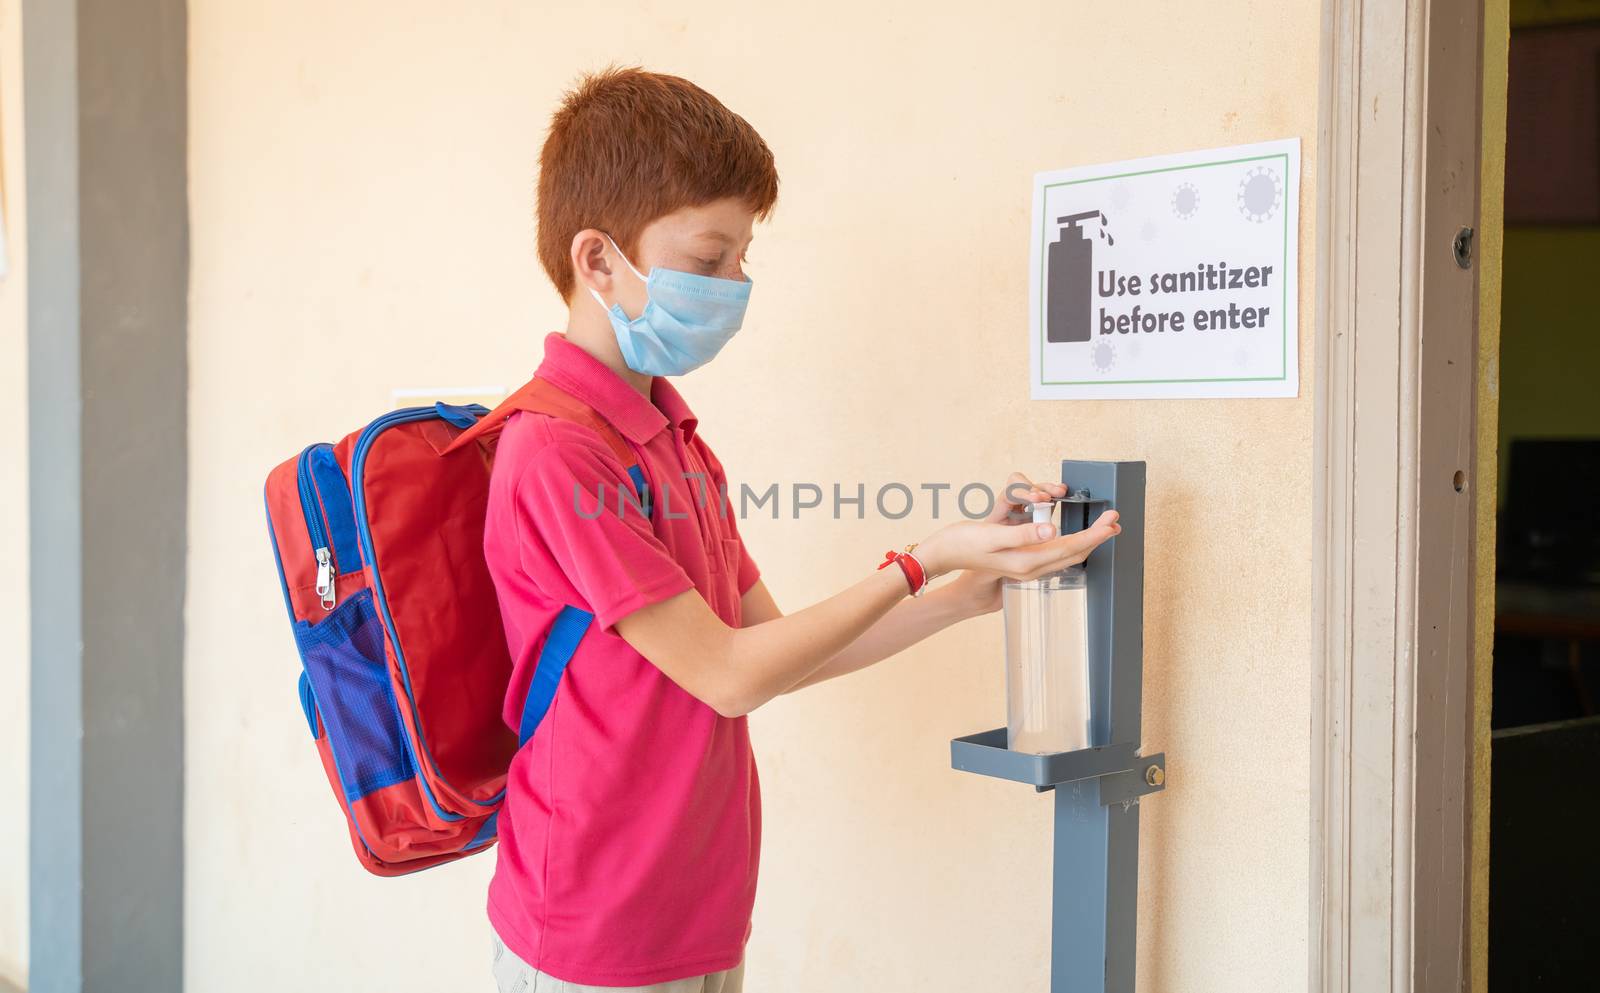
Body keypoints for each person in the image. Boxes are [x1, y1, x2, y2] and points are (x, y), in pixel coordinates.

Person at [483, 65, 1120, 993]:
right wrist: (918, 558)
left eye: (742, 257)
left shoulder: (671, 430)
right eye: (709, 260)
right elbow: (730, 679)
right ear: (597, 260)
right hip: (594, 934)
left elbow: (771, 651)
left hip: (699, 915)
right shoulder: (556, 453)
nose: (736, 283)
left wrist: (959, 596)